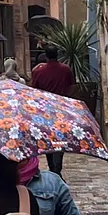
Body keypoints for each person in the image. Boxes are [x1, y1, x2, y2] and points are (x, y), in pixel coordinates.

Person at [30, 46, 78, 174]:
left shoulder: (39, 71)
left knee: (48, 137)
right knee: (60, 137)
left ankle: (52, 166)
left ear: (46, 56)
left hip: (45, 109)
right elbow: (71, 87)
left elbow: (34, 90)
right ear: (58, 55)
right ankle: (57, 167)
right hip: (62, 109)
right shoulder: (66, 70)